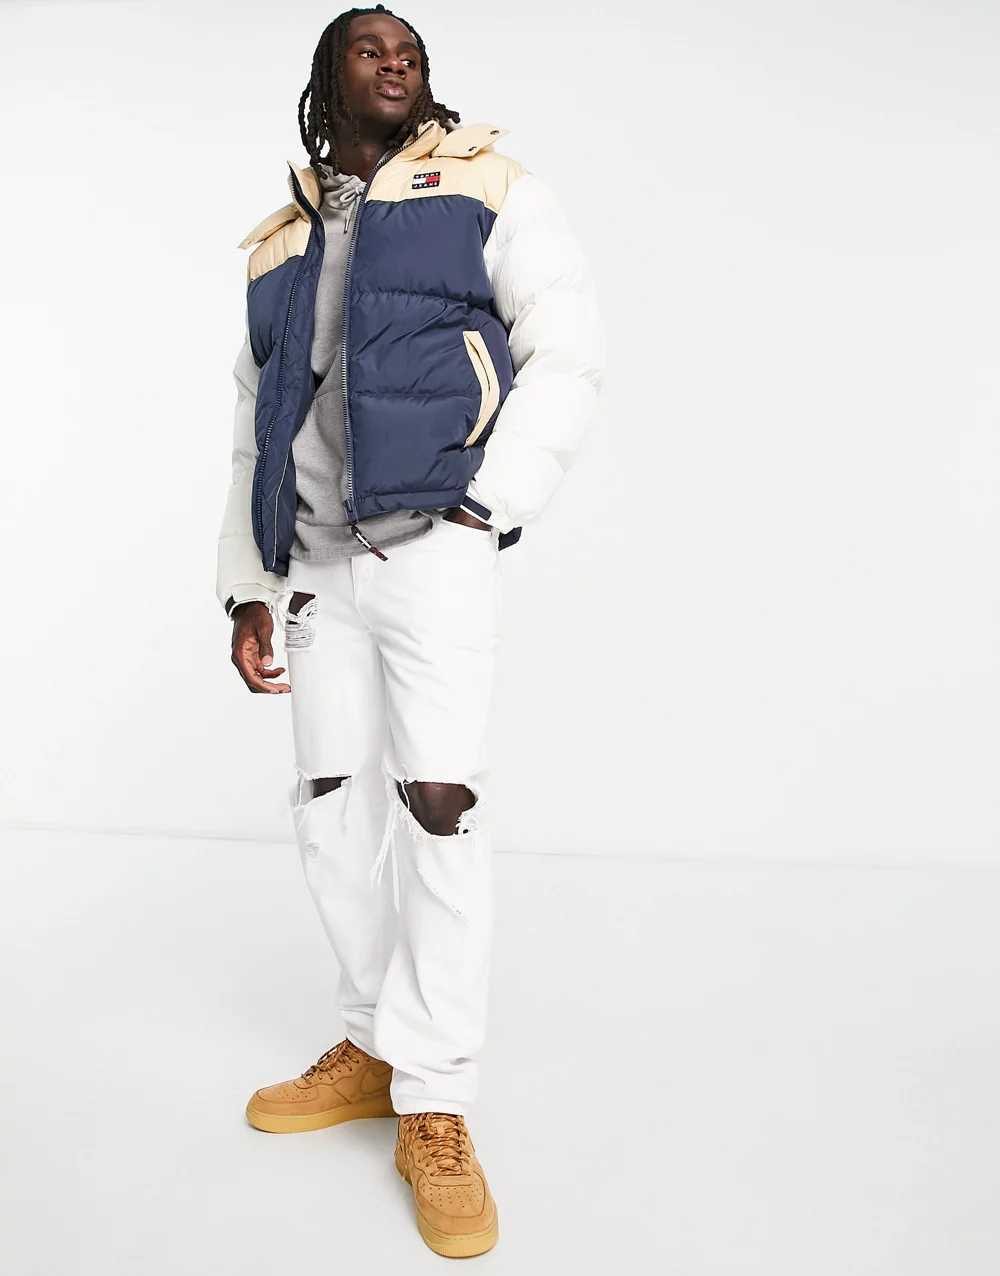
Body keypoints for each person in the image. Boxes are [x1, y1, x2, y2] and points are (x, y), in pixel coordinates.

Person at [215, 4, 606, 1258]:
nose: (397, 60)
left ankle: (434, 1095)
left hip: (431, 545)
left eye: (411, 50)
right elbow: (251, 429)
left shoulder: (487, 184)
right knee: (330, 808)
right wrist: (247, 584)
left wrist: (491, 505)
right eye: (369, 47)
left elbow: (568, 349)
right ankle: (376, 1043)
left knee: (438, 804)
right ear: (325, 77)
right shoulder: (278, 239)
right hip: (315, 564)